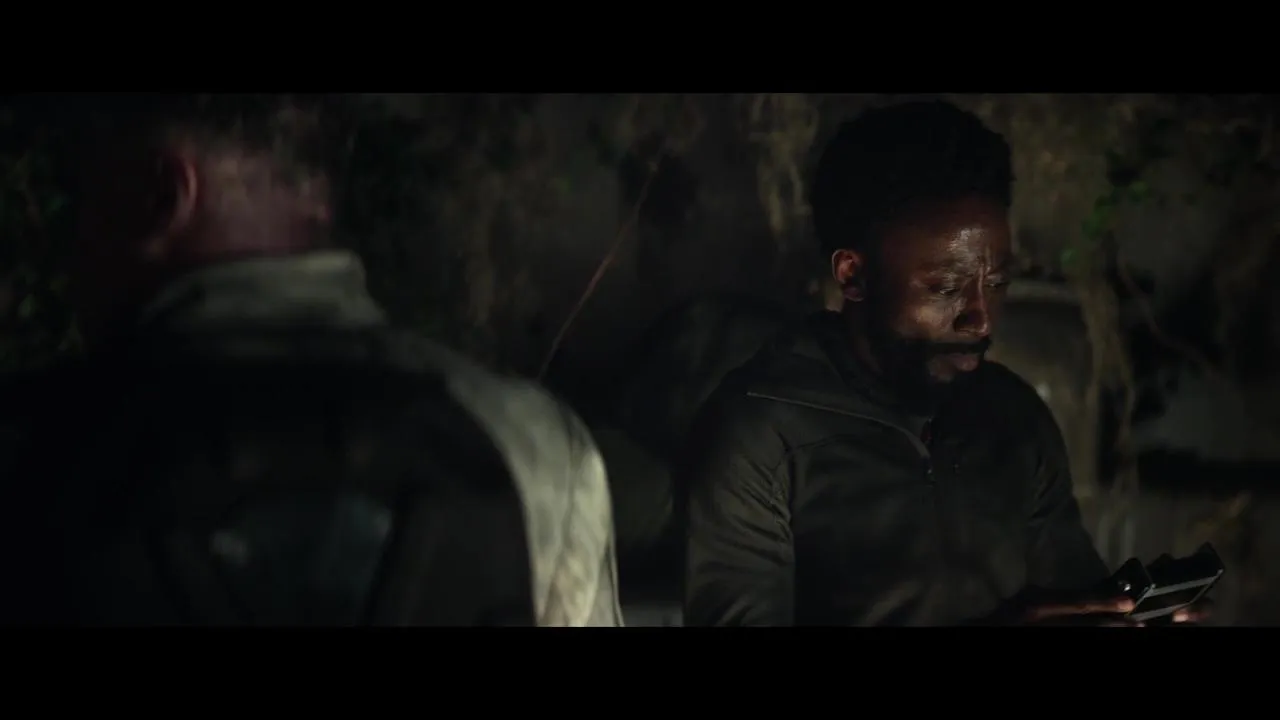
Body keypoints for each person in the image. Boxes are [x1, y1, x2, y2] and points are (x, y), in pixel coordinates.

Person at [0, 94, 621, 627]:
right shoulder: (531, 445)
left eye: (85, 200)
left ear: (164, 194)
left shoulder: (30, 449)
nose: (73, 247)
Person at [680, 100, 1205, 626]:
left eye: (996, 283)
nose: (980, 318)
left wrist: (1122, 614)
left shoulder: (1013, 417)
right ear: (854, 276)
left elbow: (1071, 597)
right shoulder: (761, 434)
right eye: (946, 287)